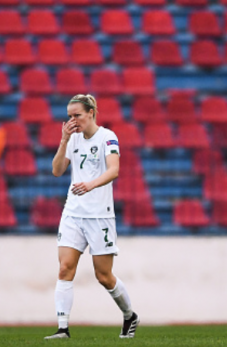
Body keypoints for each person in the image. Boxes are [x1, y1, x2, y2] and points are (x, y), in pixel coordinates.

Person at [44, 94, 139, 340]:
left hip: (99, 215)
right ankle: (62, 328)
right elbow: (56, 171)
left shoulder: (107, 137)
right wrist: (63, 140)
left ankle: (129, 315)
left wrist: (90, 185)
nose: (72, 120)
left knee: (103, 276)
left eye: (77, 115)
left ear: (91, 113)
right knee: (65, 268)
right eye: (69, 117)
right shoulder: (73, 139)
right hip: (73, 213)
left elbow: (114, 170)